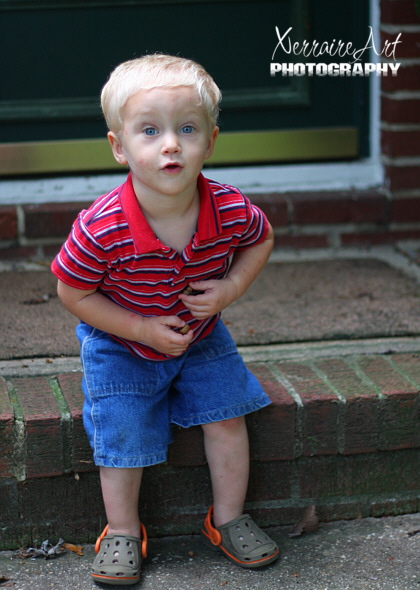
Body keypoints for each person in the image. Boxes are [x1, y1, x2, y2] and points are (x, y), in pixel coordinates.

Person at [51, 53, 279, 586]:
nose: (171, 143)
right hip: (121, 340)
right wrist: (138, 329)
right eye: (149, 131)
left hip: (199, 335)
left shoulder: (226, 206)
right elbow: (72, 291)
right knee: (123, 432)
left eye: (187, 129)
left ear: (212, 140)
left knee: (226, 416)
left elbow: (261, 238)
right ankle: (123, 528)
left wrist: (230, 288)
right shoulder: (102, 225)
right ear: (119, 146)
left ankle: (226, 518)